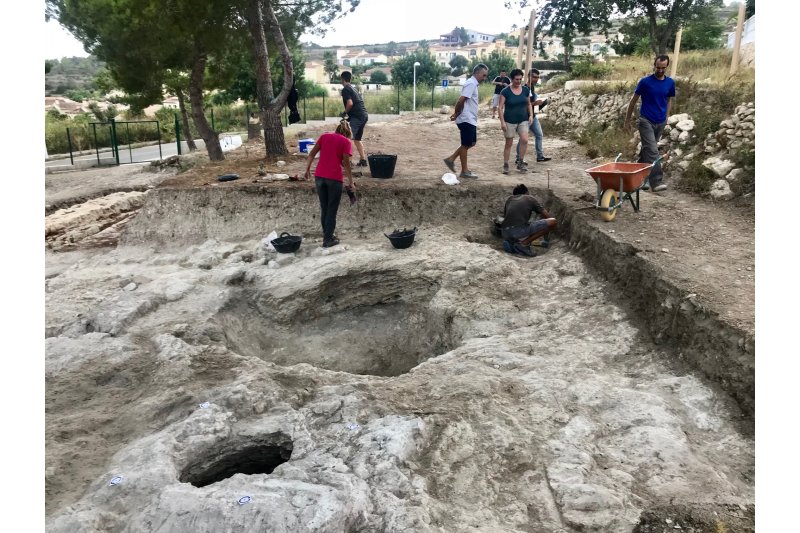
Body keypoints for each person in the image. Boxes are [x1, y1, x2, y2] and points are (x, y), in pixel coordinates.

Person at [624, 54, 675, 192]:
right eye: (658, 67)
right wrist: (627, 120)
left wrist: (667, 117)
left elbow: (668, 100)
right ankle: (656, 181)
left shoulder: (670, 83)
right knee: (652, 150)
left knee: (647, 150)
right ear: (654, 65)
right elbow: (633, 101)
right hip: (646, 120)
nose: (660, 70)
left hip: (661, 121)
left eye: (663, 68)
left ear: (667, 66)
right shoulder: (645, 82)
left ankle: (640, 179)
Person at [303, 119, 356, 248]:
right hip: (334, 178)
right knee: (332, 210)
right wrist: (351, 182)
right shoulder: (346, 142)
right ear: (348, 133)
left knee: (324, 208)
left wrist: (307, 169)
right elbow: (346, 164)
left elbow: (311, 154)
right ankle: (328, 240)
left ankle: (328, 236)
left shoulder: (324, 136)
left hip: (319, 177)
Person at [443, 63, 489, 179]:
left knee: (471, 143)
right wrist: (457, 113)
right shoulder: (471, 83)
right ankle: (464, 171)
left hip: (470, 118)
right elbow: (461, 100)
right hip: (466, 118)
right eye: (483, 75)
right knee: (466, 144)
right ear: (477, 73)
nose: (484, 78)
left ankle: (451, 159)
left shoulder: (473, 84)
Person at [500, 184, 557, 257]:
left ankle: (511, 243)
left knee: (522, 227)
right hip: (518, 231)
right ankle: (524, 244)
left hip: (504, 232)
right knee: (553, 221)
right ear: (526, 192)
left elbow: (506, 217)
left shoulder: (509, 199)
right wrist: (547, 235)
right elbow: (547, 216)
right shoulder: (529, 198)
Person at [498, 68, 533, 174]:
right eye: (516, 79)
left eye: (520, 79)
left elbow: (529, 103)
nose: (518, 81)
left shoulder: (526, 90)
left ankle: (520, 162)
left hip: (523, 119)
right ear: (512, 79)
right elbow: (500, 108)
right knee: (509, 143)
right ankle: (506, 164)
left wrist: (531, 115)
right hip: (509, 121)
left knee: (525, 140)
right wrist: (502, 122)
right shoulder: (505, 92)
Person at [515, 68, 551, 166]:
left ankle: (540, 156)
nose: (536, 79)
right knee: (523, 138)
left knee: (539, 134)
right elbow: (524, 104)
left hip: (532, 116)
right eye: (534, 77)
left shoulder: (532, 88)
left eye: (537, 77)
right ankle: (518, 158)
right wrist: (536, 103)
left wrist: (541, 103)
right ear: (529, 77)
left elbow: (532, 103)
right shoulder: (524, 88)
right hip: (524, 117)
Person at [340, 71, 369, 167]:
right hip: (363, 115)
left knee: (349, 138)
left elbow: (350, 103)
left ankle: (349, 161)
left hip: (357, 116)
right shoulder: (353, 88)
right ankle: (363, 160)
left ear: (342, 79)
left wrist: (344, 113)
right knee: (357, 139)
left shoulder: (345, 89)